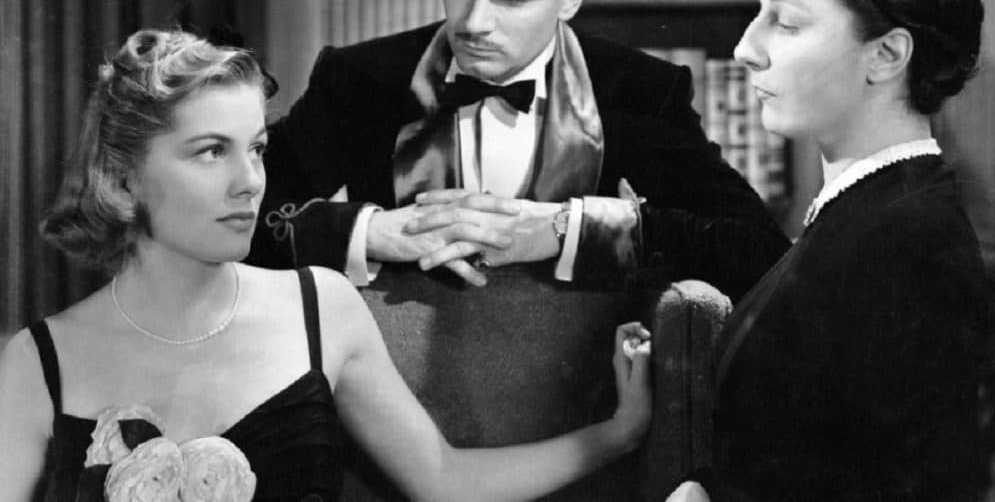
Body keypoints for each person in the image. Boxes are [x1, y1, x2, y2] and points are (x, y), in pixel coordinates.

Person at [0, 29, 652, 502]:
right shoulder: (37, 364)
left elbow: (445, 481)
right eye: (210, 152)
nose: (250, 182)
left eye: (257, 149)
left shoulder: (321, 307)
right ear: (122, 181)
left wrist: (618, 434)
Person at [247, 0, 789, 299]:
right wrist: (369, 232)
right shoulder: (358, 79)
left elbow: (758, 251)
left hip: (582, 389)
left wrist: (566, 229)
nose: (473, 22)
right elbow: (242, 224)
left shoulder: (641, 90)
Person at [665, 0, 990, 501]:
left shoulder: (906, 242)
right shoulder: (865, 213)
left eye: (786, 23)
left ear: (887, 54)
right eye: (759, 13)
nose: (745, 49)